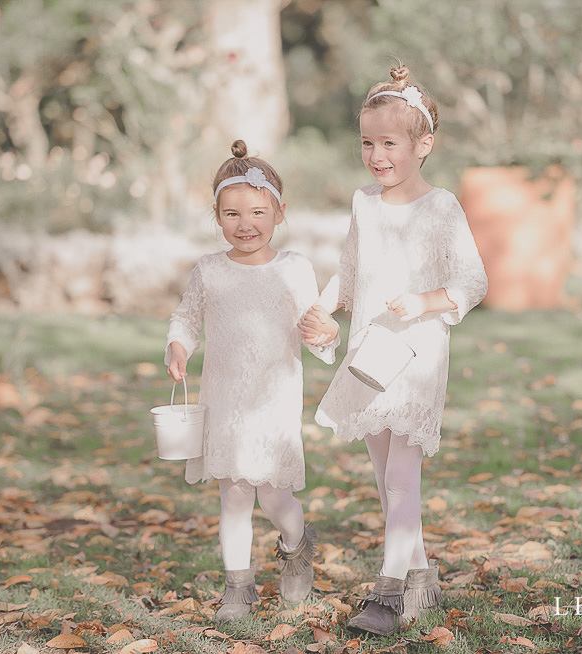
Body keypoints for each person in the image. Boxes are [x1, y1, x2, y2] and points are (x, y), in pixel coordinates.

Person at [299, 65, 488, 636]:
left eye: (389, 144)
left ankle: (387, 595)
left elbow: (473, 280)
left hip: (416, 354)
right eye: (367, 143)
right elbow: (351, 272)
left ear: (422, 144)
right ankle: (422, 577)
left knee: (404, 477)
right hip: (369, 354)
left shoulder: (441, 208)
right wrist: (323, 307)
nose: (377, 155)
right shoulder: (364, 204)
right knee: (386, 478)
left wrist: (430, 300)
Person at [166, 140, 338, 622]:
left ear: (279, 213)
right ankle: (238, 590)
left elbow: (316, 327)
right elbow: (186, 319)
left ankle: (296, 544)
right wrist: (178, 347)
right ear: (217, 217)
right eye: (232, 214)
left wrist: (326, 334)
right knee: (235, 496)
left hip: (274, 404)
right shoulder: (210, 271)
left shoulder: (294, 269)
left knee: (275, 497)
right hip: (225, 402)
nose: (246, 224)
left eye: (258, 212)